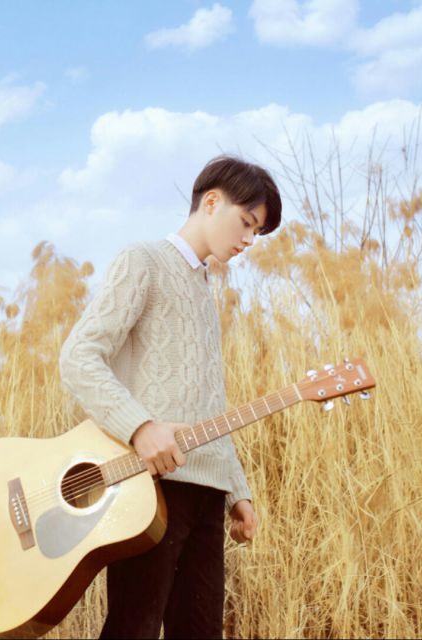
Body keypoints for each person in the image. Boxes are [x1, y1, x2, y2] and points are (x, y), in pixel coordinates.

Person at [58, 155, 282, 639]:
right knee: (133, 628)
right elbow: (78, 356)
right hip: (150, 489)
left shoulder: (205, 292)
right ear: (212, 201)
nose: (249, 240)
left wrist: (237, 491)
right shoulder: (144, 261)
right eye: (247, 222)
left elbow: (211, 407)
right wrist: (140, 428)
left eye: (257, 232)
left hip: (207, 496)